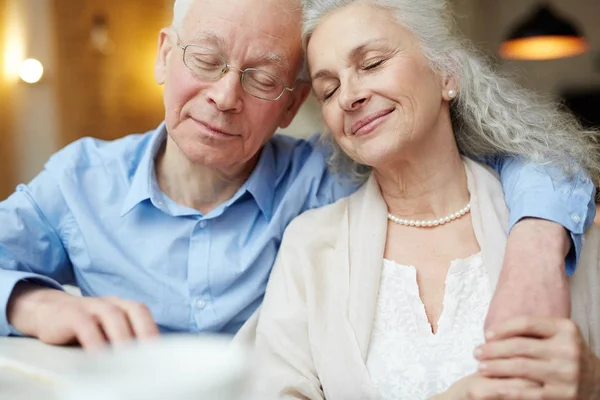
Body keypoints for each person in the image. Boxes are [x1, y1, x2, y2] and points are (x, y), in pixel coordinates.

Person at [0, 0, 595, 350]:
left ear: (291, 105)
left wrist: (536, 249)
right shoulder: (78, 183)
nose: (225, 97)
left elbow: (517, 155)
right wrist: (33, 304)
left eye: (261, 78)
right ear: (162, 55)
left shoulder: (328, 176)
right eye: (205, 61)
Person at [239, 0, 600, 398]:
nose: (349, 97)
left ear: (447, 73)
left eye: (373, 63)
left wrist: (592, 382)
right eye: (329, 89)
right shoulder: (308, 246)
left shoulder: (552, 229)